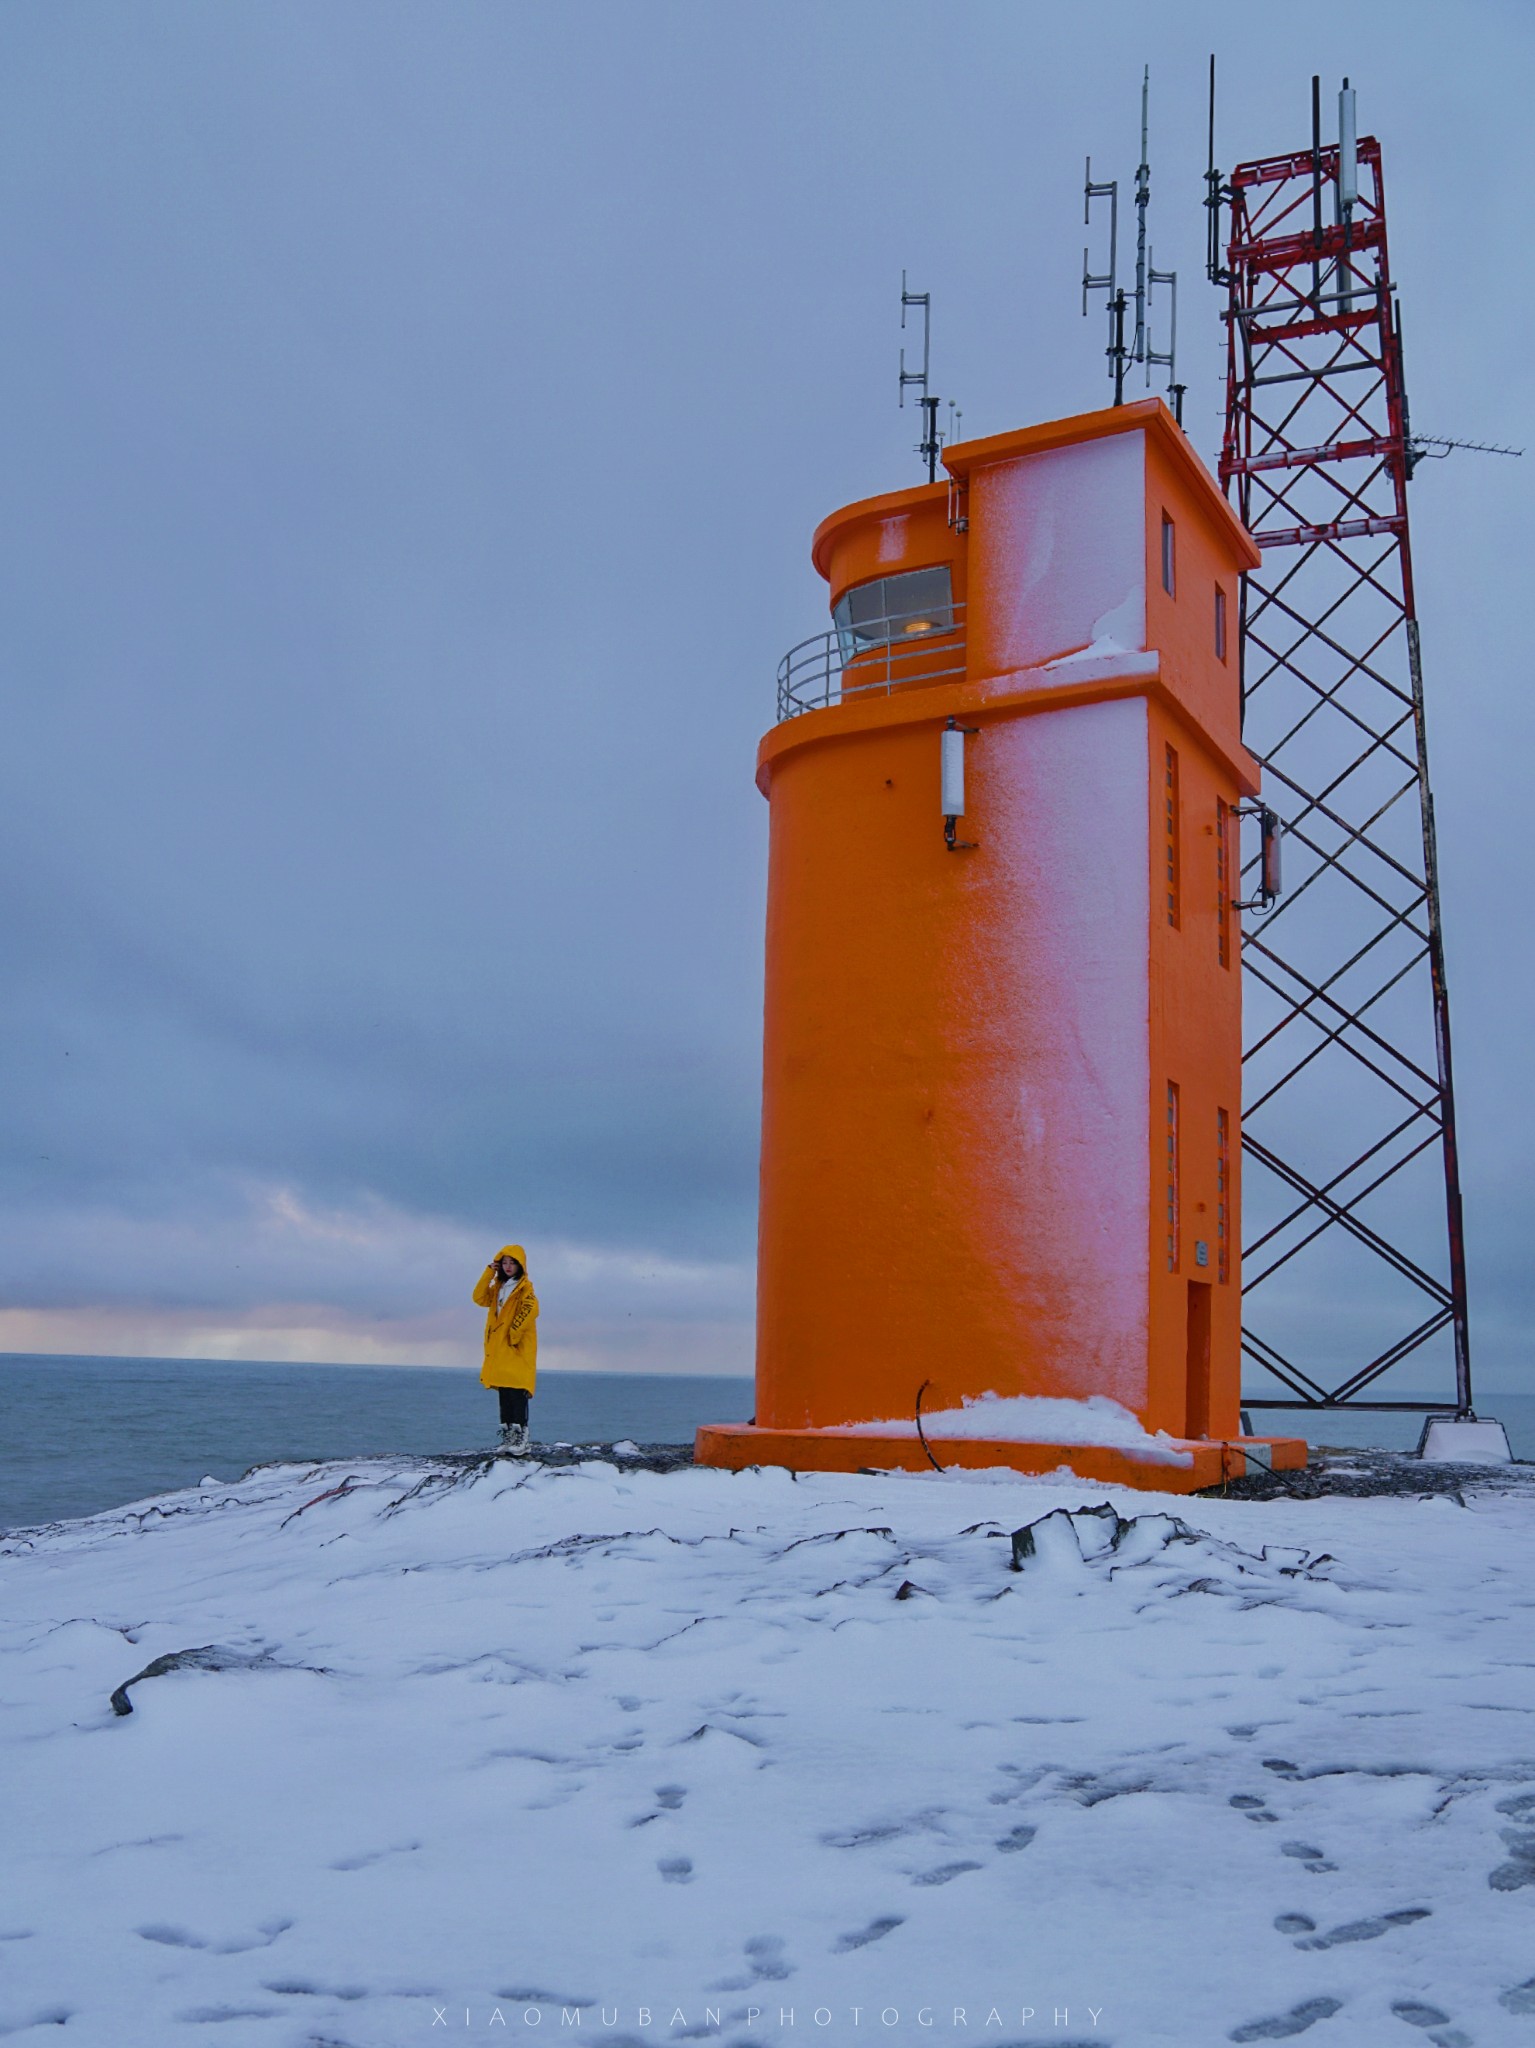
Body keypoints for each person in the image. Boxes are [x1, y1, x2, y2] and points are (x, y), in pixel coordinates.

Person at [473, 1244, 539, 1454]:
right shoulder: (499, 1287)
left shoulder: (525, 1288)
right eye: (505, 1263)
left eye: (513, 1263)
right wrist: (489, 1271)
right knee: (504, 1392)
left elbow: (531, 1310)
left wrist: (513, 1334)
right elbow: (479, 1298)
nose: (508, 1267)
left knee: (517, 1391)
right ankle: (509, 1436)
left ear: (521, 1265)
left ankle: (521, 1438)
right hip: (500, 1348)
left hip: (516, 1347)